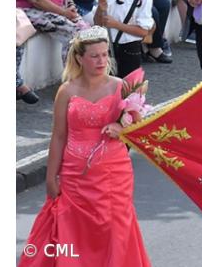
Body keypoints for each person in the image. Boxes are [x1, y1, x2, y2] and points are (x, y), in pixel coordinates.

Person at [19, 27, 151, 267]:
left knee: (114, 229)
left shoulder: (121, 87)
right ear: (80, 58)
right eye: (94, 55)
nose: (102, 60)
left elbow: (138, 129)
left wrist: (121, 129)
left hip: (113, 173)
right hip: (74, 175)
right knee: (72, 229)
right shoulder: (66, 91)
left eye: (104, 54)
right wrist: (51, 178)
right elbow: (58, 136)